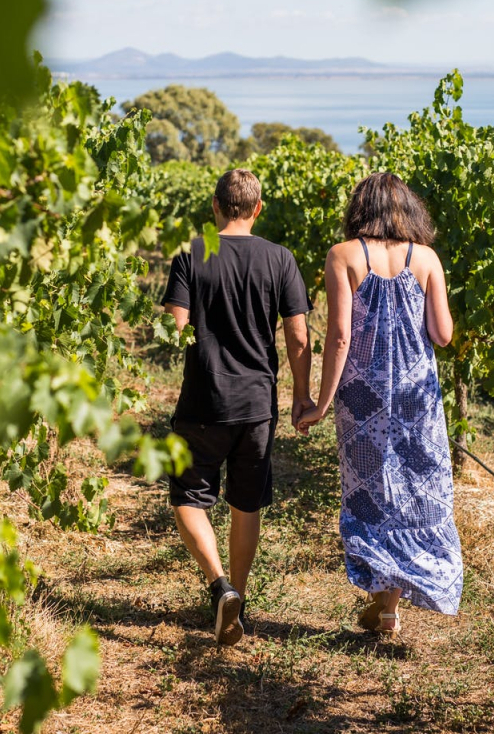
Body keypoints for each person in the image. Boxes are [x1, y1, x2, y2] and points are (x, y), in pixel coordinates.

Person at [295, 172, 463, 634]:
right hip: (416, 397)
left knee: (372, 493)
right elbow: (443, 336)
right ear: (408, 210)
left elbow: (340, 336)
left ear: (359, 209)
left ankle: (383, 603)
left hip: (361, 400)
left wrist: (322, 401)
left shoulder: (343, 256)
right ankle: (389, 608)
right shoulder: (426, 258)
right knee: (414, 490)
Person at [162, 168, 313, 646]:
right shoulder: (281, 258)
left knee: (188, 498)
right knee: (246, 504)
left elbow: (176, 326)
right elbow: (297, 334)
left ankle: (218, 585)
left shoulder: (191, 252)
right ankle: (238, 601)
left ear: (214, 206)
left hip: (203, 399)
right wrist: (302, 395)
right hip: (256, 404)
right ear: (258, 208)